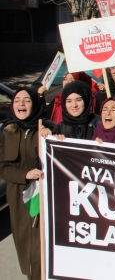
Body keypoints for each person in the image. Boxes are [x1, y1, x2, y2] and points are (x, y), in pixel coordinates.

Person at [0, 88, 52, 280]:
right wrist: (25, 174)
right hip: (17, 195)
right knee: (24, 242)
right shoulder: (6, 132)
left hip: (41, 194)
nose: (21, 104)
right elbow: (2, 168)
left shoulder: (47, 129)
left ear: (35, 104)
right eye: (17, 100)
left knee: (40, 245)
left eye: (27, 100)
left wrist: (50, 138)